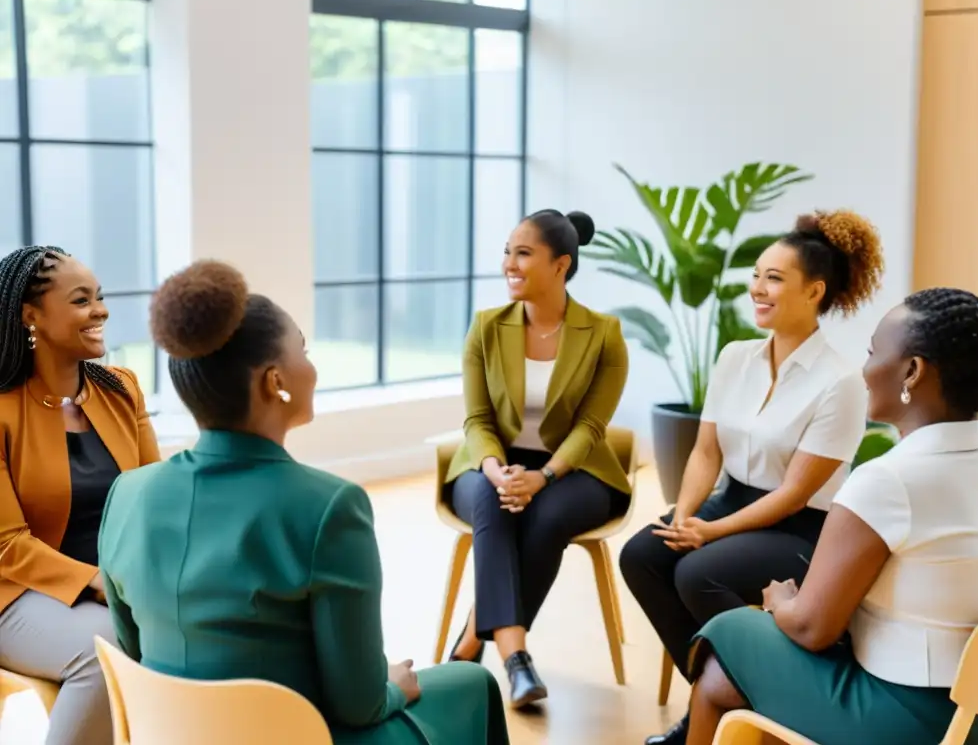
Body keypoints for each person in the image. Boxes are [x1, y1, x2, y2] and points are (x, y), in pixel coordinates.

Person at [98, 260, 510, 745]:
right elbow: (359, 705)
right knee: (473, 683)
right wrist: (391, 687)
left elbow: (133, 649)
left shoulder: (127, 493)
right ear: (275, 382)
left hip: (174, 734)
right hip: (299, 736)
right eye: (305, 350)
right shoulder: (329, 507)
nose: (312, 365)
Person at [682, 287, 978, 745]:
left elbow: (812, 628)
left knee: (733, 630)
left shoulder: (887, 480)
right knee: (720, 683)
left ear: (911, 371)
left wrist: (780, 602)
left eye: (871, 352)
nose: (863, 371)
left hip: (912, 723)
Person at [619, 210, 886, 745]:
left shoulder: (841, 382)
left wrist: (710, 533)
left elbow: (794, 494)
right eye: (757, 275)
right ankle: (715, 699)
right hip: (731, 502)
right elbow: (704, 453)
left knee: (697, 572)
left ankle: (744, 702)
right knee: (643, 556)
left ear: (814, 292)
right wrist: (688, 514)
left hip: (802, 526)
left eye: (774, 278)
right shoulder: (735, 357)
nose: (757, 288)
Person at [443, 209, 632, 708]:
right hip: (491, 461)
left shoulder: (604, 333)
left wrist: (544, 476)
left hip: (574, 467)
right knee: (491, 499)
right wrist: (494, 469)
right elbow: (477, 420)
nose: (509, 263)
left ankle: (469, 642)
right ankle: (516, 660)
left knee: (546, 516)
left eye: (523, 253)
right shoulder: (486, 327)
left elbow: (592, 428)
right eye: (508, 251)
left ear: (561, 265)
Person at [0, 245, 159, 745]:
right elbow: (7, 544)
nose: (101, 310)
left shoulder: (121, 388)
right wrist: (102, 584)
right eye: (81, 300)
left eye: (101, 297)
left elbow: (153, 498)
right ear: (32, 316)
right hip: (16, 593)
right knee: (104, 651)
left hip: (111, 585)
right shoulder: (2, 410)